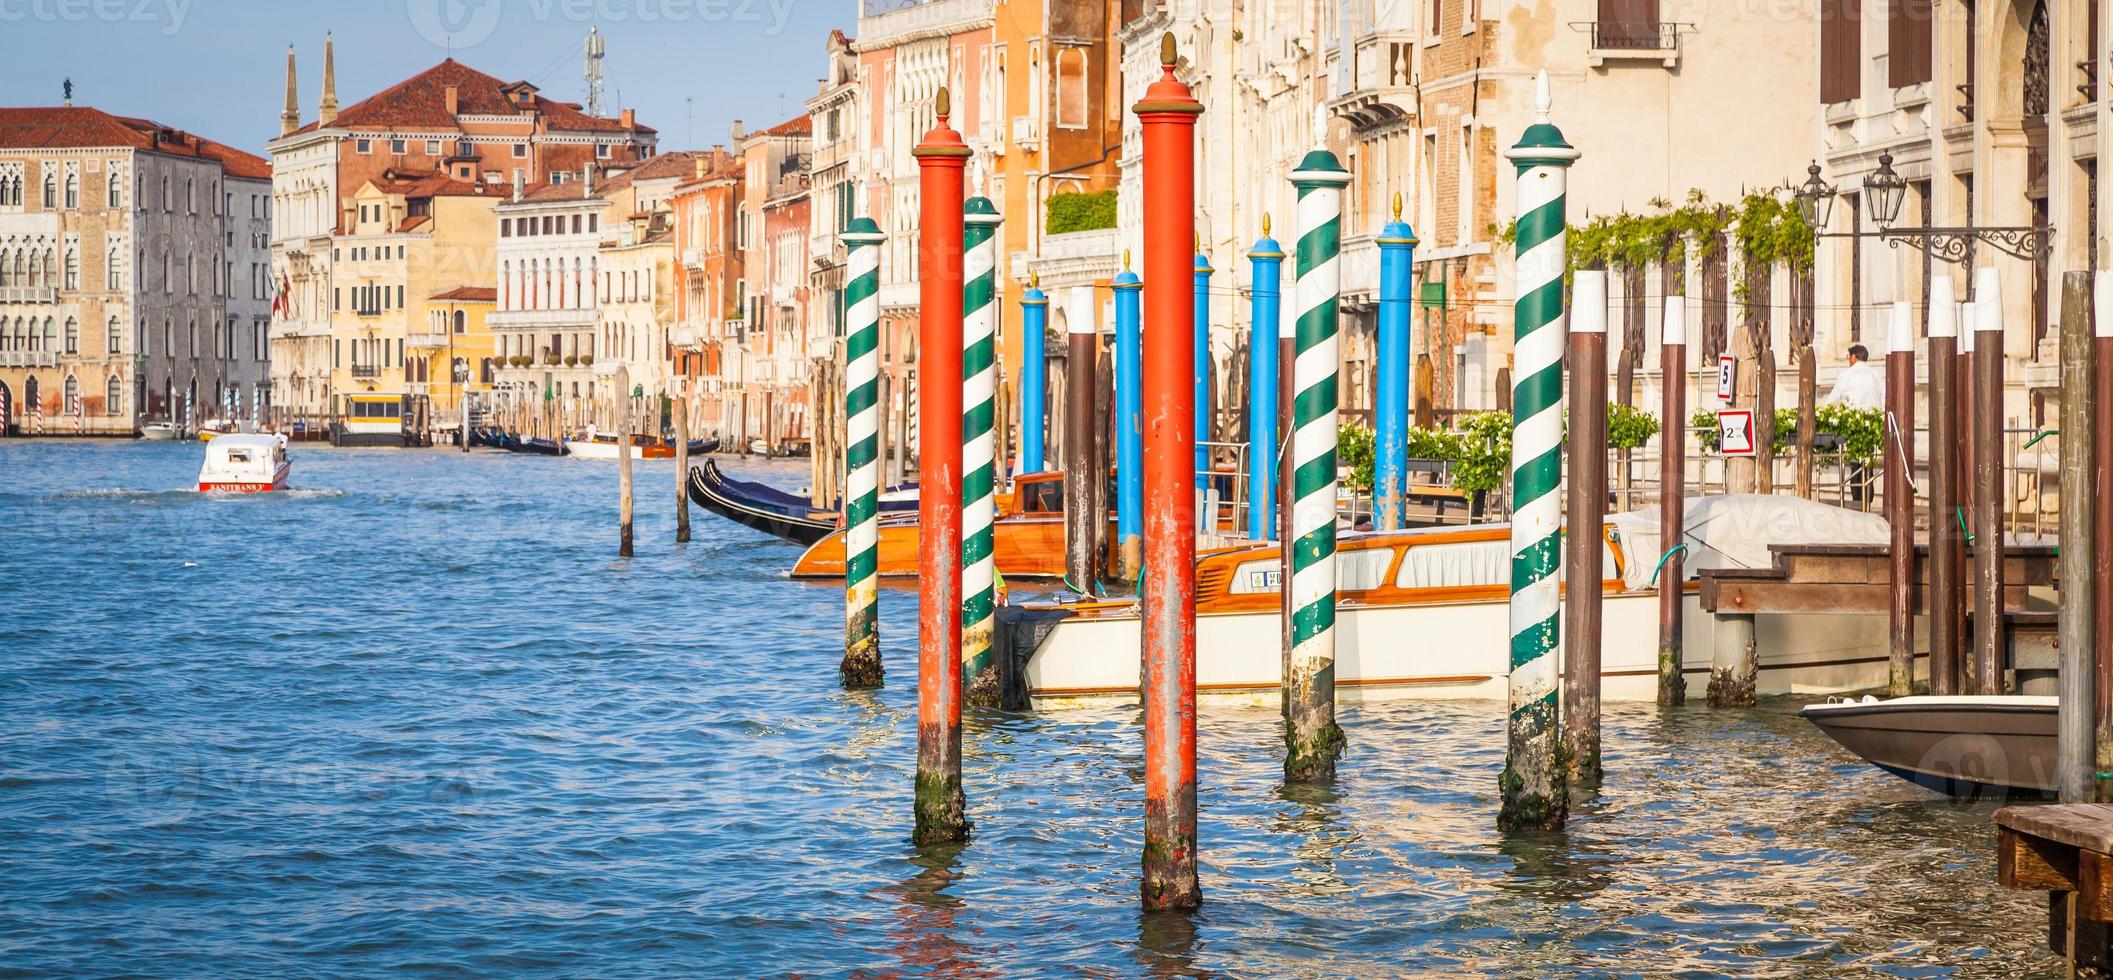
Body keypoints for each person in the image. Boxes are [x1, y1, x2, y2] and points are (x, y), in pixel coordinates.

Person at [1824, 344, 1884, 410]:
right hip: (1874, 417)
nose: (1849, 360)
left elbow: (1832, 400)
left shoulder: (1846, 375)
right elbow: (1884, 396)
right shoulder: (1875, 374)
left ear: (1853, 357)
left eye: (1849, 357)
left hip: (1853, 417)